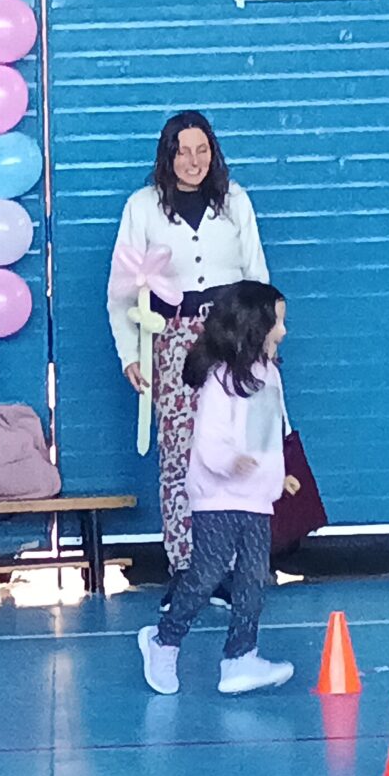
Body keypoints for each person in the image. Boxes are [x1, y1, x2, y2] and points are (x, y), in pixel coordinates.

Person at [105, 111, 270, 574]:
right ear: (167, 156)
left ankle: (235, 565)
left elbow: (257, 275)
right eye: (182, 152)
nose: (193, 161)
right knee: (181, 453)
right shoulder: (143, 206)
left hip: (232, 337)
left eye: (202, 150)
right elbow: (120, 288)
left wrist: (263, 341)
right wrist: (130, 353)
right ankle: (187, 567)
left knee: (236, 449)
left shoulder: (235, 201)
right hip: (174, 341)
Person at [135, 281, 297, 695]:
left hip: (256, 500)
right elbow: (208, 443)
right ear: (253, 326)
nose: (283, 331)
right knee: (206, 574)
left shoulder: (269, 376)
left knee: (253, 578)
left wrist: (276, 476)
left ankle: (240, 657)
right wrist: (231, 462)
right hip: (217, 498)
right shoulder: (220, 381)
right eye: (277, 322)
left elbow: (265, 437)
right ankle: (164, 641)